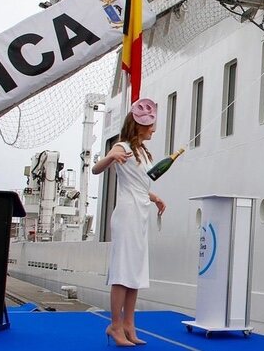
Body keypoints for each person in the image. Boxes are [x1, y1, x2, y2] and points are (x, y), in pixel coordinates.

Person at [92, 98, 167, 347]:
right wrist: (110, 156)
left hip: (141, 212)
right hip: (126, 214)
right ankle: (115, 325)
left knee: (135, 272)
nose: (153, 130)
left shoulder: (143, 152)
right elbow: (95, 169)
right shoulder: (122, 147)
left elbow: (138, 184)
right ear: (139, 126)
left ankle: (129, 325)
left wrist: (154, 197)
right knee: (123, 271)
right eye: (150, 125)